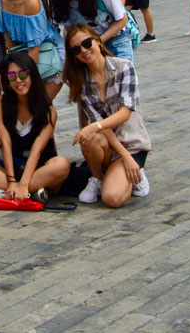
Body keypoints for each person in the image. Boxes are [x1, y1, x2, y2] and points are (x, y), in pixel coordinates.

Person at [0, 53, 70, 201]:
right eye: (12, 76)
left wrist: (24, 184)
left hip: (38, 168)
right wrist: (12, 181)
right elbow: (5, 143)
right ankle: (29, 191)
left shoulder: (48, 111)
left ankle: (11, 191)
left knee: (62, 165)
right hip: (8, 169)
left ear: (32, 76)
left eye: (23, 75)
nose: (18, 81)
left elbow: (37, 150)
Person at [63, 25, 151, 207]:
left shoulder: (124, 67)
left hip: (132, 144)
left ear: (98, 41)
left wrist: (126, 157)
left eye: (87, 43)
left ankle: (132, 173)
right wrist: (95, 127)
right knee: (89, 137)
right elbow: (101, 123)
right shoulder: (81, 81)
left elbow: (125, 113)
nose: (84, 51)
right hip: (108, 146)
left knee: (112, 199)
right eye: (76, 49)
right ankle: (98, 177)